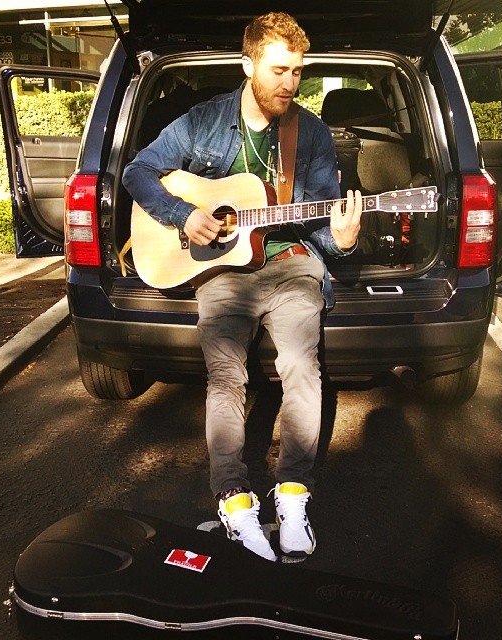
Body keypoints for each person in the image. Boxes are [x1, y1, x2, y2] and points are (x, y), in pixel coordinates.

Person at [123, 12, 361, 562]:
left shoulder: (313, 134)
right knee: (225, 376)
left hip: (290, 265)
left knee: (302, 366)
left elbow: (322, 225)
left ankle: (294, 494)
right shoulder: (202, 122)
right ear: (248, 63)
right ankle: (234, 502)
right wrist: (183, 215)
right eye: (278, 70)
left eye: (298, 73)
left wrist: (343, 239)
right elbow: (138, 171)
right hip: (222, 271)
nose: (289, 84)